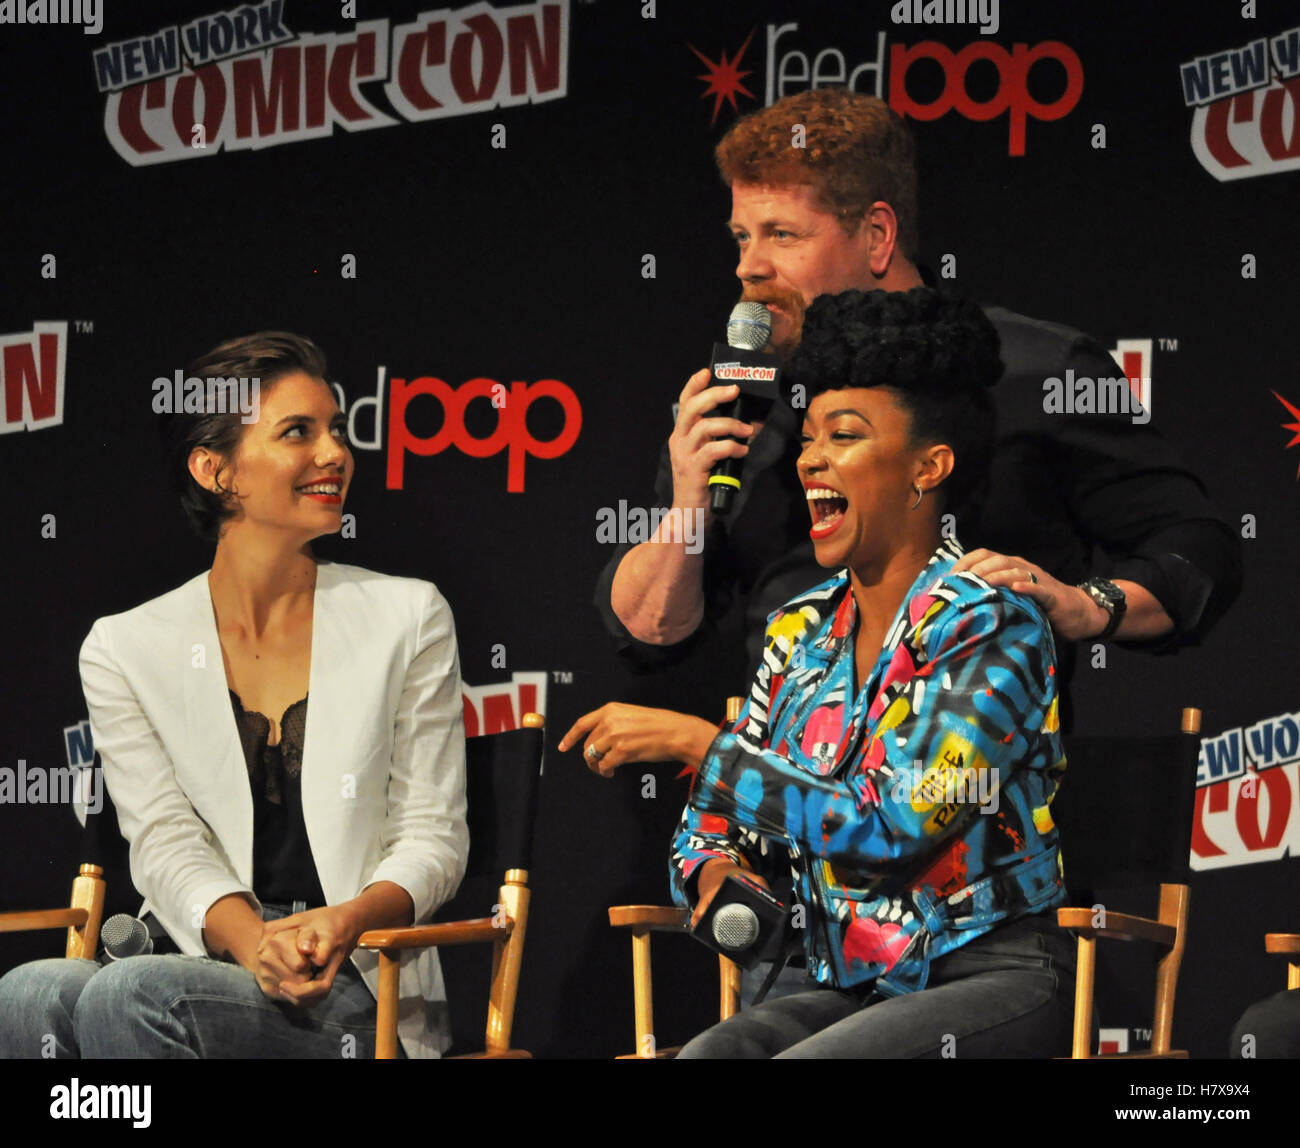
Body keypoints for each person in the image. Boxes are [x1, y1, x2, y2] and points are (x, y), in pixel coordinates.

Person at [596, 89, 1242, 722]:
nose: (750, 266)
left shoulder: (1034, 371)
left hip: (985, 794)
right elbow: (651, 633)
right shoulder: (737, 405)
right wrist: (687, 507)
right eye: (741, 236)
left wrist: (1088, 603)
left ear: (877, 234)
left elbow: (1197, 548)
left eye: (782, 234)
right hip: (784, 800)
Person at [563, 288, 1078, 1057]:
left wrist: (705, 746)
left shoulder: (986, 619)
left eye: (844, 436)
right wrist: (715, 878)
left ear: (927, 467)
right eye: (807, 438)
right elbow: (709, 825)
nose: (810, 459)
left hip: (985, 976)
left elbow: (894, 825)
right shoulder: (800, 627)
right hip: (839, 981)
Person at [0, 332, 468, 1059]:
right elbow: (163, 839)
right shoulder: (126, 646)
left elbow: (433, 837)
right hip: (205, 954)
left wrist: (339, 924)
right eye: (297, 432)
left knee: (131, 995)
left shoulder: (408, 617)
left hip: (354, 977)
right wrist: (254, 945)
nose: (335, 454)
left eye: (336, 429)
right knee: (24, 994)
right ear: (217, 471)